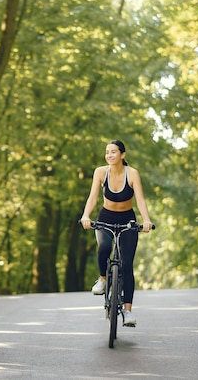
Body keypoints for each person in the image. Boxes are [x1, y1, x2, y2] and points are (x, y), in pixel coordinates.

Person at [79, 139, 153, 326]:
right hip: (106, 218)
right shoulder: (100, 172)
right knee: (104, 248)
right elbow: (93, 197)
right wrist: (86, 216)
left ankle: (128, 312)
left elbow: (141, 201)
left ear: (122, 154)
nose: (109, 155)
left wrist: (146, 220)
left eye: (113, 151)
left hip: (127, 220)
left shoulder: (132, 174)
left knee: (127, 264)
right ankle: (103, 279)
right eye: (107, 152)